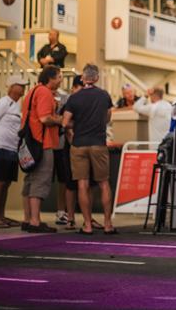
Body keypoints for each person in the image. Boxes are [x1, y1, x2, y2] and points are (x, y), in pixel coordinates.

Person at [62, 64, 116, 235]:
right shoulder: (104, 96)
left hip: (78, 145)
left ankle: (87, 225)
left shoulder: (74, 98)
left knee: (82, 184)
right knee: (104, 183)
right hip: (98, 144)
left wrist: (78, 123)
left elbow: (65, 122)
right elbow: (107, 117)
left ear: (83, 78)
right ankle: (107, 224)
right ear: (97, 78)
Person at [0, 75, 28, 228]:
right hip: (0, 147)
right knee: (0, 182)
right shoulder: (3, 103)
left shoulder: (17, 105)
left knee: (7, 183)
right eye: (19, 85)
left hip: (12, 149)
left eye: (23, 85)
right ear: (11, 87)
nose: (23, 88)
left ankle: (1, 216)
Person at [20, 65, 62, 233]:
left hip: (29, 143)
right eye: (59, 77)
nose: (60, 80)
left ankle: (28, 219)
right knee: (40, 181)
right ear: (50, 78)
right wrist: (61, 120)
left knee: (30, 181)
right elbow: (45, 118)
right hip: (41, 143)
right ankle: (36, 221)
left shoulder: (32, 91)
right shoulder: (44, 92)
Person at [54, 75, 84, 230]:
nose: (82, 90)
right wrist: (73, 143)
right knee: (68, 182)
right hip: (68, 148)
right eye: (79, 87)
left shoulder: (85, 101)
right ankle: (67, 216)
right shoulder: (70, 102)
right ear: (73, 88)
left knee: (82, 184)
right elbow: (66, 126)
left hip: (80, 147)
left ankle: (85, 219)